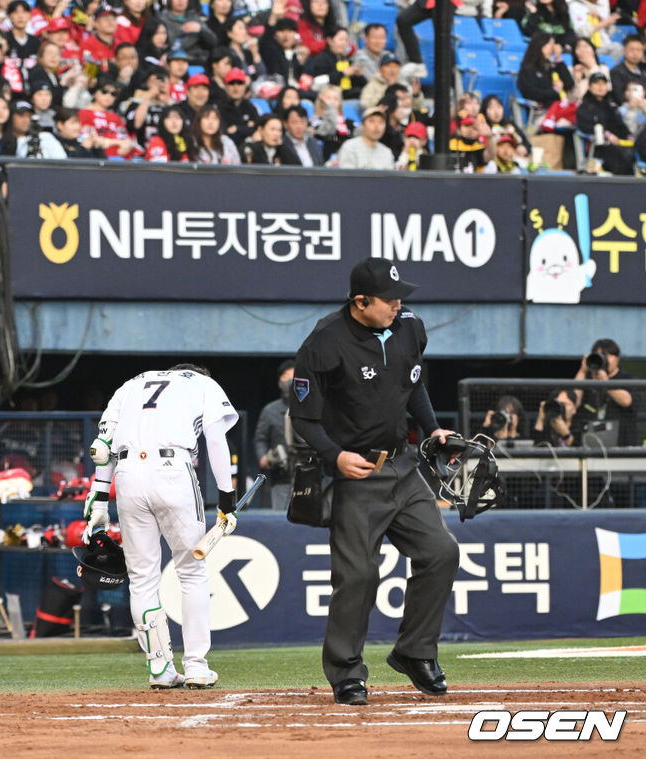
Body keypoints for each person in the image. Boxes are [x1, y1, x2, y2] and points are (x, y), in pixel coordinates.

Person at [289, 258, 459, 706]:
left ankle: (414, 652)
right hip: (357, 473)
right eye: (389, 298)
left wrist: (433, 429)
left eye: (400, 296)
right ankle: (346, 672)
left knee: (441, 551)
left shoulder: (409, 327)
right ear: (360, 301)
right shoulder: (325, 342)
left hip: (403, 467)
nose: (398, 304)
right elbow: (302, 417)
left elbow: (413, 383)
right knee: (359, 574)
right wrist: (335, 456)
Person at [83, 363, 239, 689]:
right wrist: (227, 498)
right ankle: (196, 666)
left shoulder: (130, 383)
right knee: (191, 572)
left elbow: (101, 449)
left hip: (127, 475)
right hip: (173, 471)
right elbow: (216, 439)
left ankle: (160, 670)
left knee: (142, 579)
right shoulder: (201, 383)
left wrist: (99, 501)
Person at [572, 338, 639, 445]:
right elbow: (573, 401)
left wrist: (605, 382)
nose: (605, 359)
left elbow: (627, 401)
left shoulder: (628, 379)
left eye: (607, 355)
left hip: (622, 445)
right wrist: (583, 370)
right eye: (600, 355)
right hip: (590, 444)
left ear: (617, 358)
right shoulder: (587, 379)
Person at [254, 359, 296, 511]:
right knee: (281, 520)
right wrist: (264, 458)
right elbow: (260, 439)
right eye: (286, 377)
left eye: (294, 376)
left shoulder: (313, 407)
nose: (290, 381)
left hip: (310, 477)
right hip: (281, 477)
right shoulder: (270, 410)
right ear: (279, 382)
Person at [576, 72, 635, 174]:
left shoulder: (612, 106)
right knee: (622, 155)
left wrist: (628, 135)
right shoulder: (584, 107)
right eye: (597, 83)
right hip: (600, 147)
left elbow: (621, 126)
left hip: (620, 144)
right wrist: (606, 135)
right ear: (589, 87)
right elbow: (585, 127)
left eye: (603, 83)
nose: (600, 87)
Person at [518, 32, 576, 107]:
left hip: (560, 107)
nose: (552, 48)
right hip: (542, 110)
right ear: (540, 45)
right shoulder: (528, 69)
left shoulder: (552, 65)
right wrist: (554, 90)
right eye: (550, 44)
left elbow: (569, 84)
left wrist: (558, 58)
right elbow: (531, 93)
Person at [157, 0, 217, 65]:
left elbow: (214, 41)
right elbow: (172, 45)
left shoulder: (194, 16)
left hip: (201, 60)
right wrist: (195, 37)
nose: (180, 1)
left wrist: (200, 29)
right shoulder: (163, 19)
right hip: (176, 60)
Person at [311, 83, 353, 161]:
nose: (332, 102)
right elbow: (329, 131)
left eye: (336, 98)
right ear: (321, 99)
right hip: (326, 159)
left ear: (340, 101)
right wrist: (330, 109)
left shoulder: (348, 122)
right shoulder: (315, 120)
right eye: (328, 98)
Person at [218, 67, 259, 145]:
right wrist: (247, 127)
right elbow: (225, 133)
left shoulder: (250, 107)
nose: (235, 87)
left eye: (239, 83)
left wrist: (237, 128)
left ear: (244, 86)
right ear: (225, 86)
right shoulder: (219, 108)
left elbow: (258, 129)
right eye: (231, 83)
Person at [608, 34, 646, 106]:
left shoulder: (643, 71)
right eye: (631, 49)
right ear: (624, 50)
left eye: (638, 50)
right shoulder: (616, 71)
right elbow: (619, 98)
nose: (635, 53)